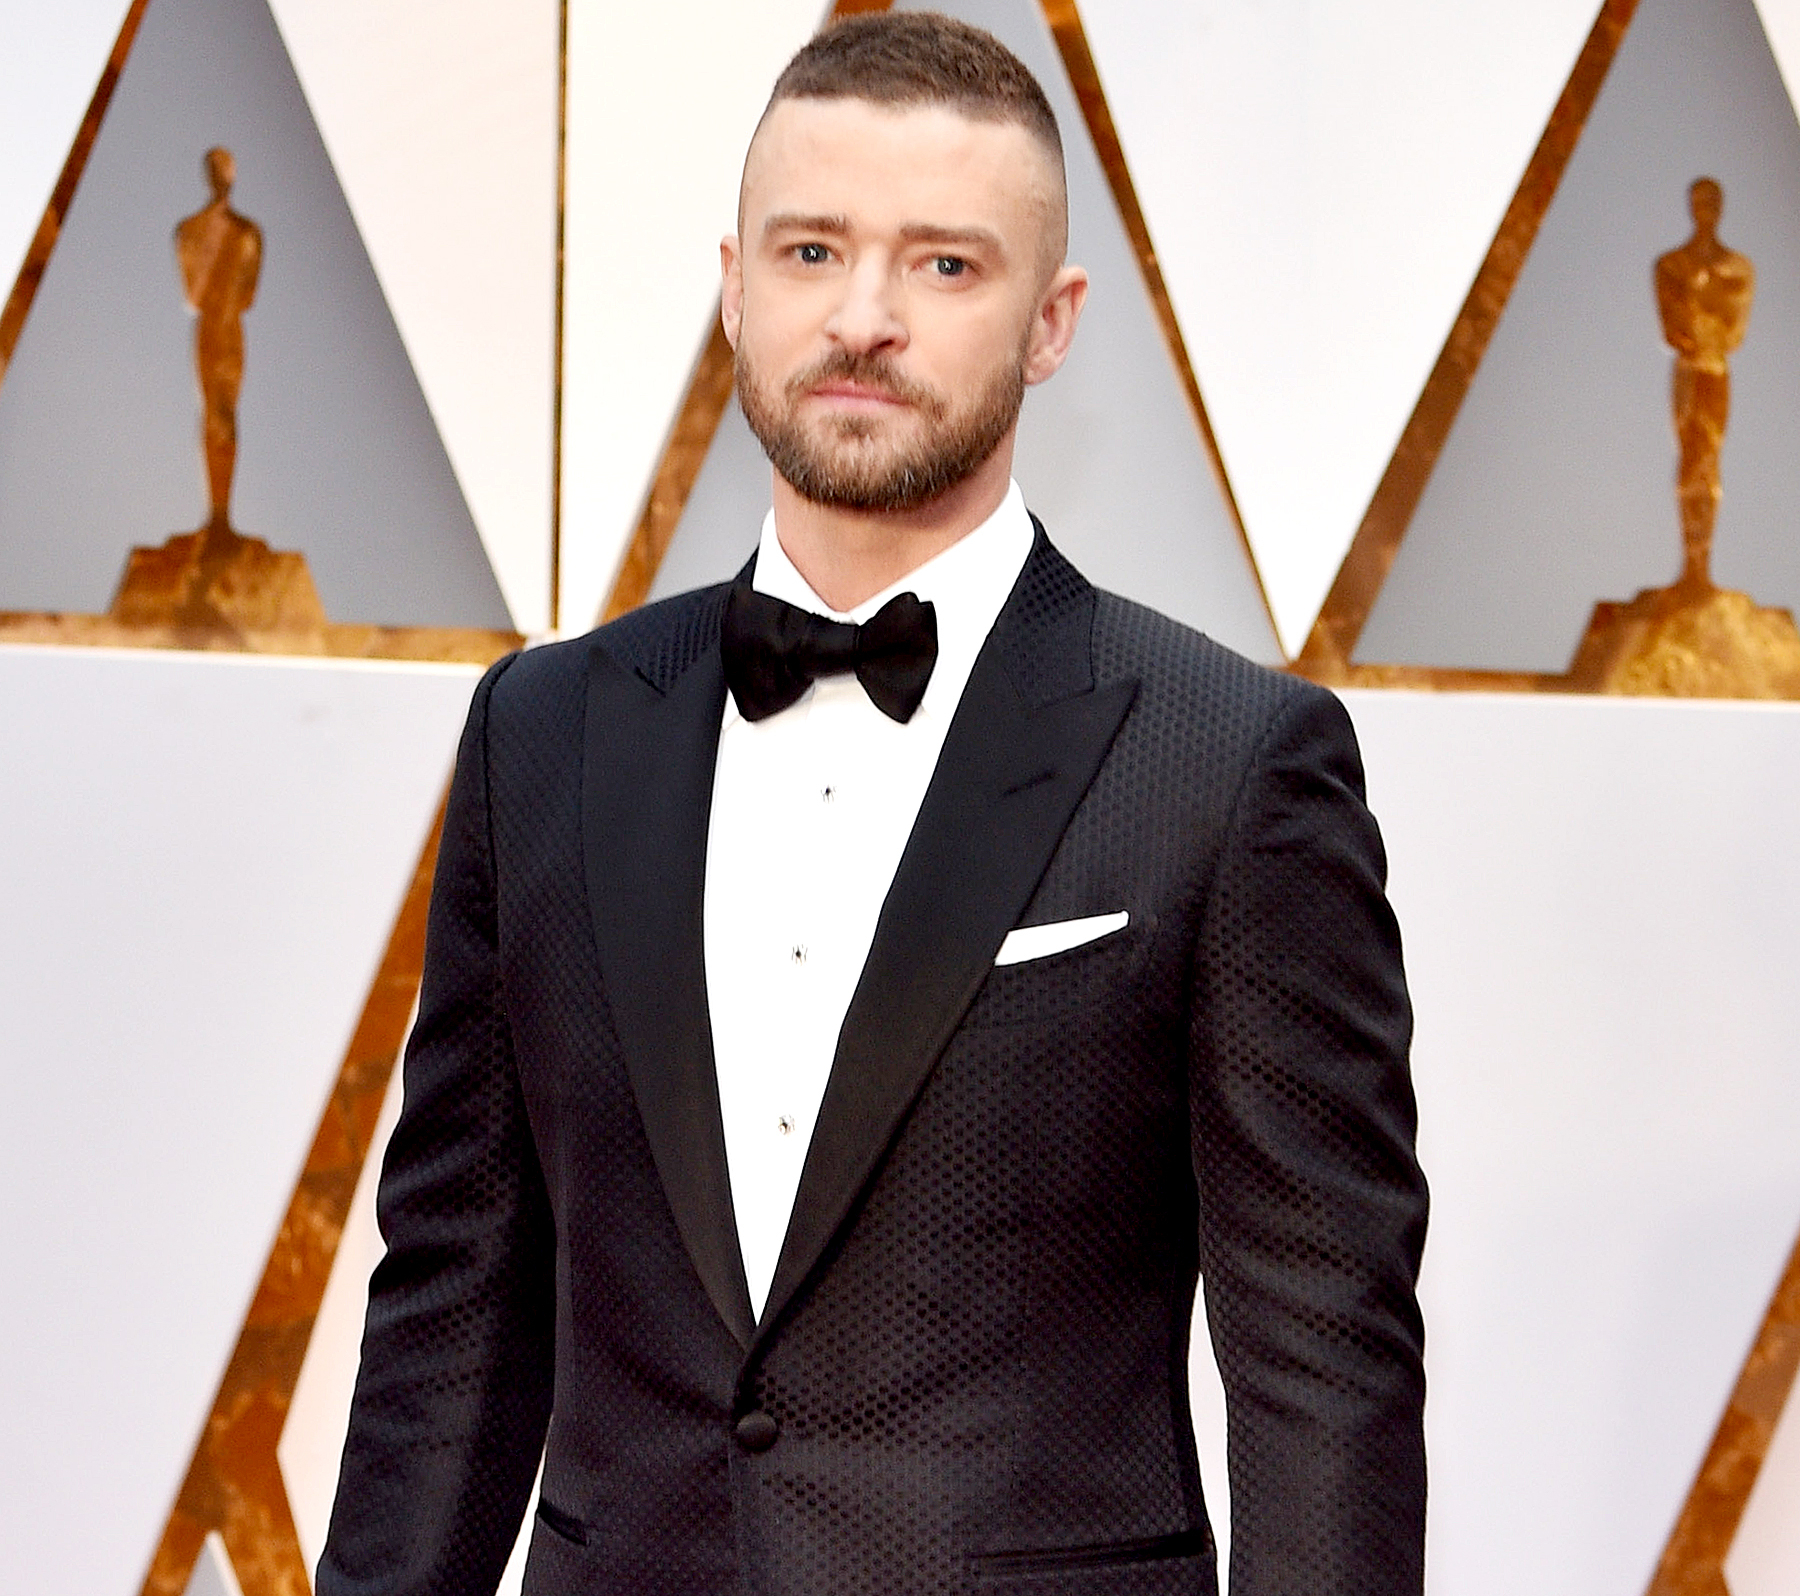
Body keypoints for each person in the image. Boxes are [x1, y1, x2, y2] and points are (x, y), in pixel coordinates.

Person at [317, 14, 1426, 1596]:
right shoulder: (543, 731)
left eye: (945, 267)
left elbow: (1327, 1367)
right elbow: (453, 1308)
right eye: (813, 249)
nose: (862, 317)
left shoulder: (1230, 762)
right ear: (734, 279)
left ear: (1053, 324)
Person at [1654, 177, 1754, 591]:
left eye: (1712, 201)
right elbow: (1674, 328)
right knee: (1690, 459)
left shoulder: (1738, 269)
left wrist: (1704, 317)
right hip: (1689, 372)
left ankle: (1703, 565)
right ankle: (1691, 565)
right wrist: (1702, 320)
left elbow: (1733, 332)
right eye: (1699, 201)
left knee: (1708, 460)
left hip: (1715, 373)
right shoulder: (1671, 266)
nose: (1706, 209)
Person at [175, 146, 262, 529]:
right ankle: (216, 513)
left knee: (227, 410)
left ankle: (222, 513)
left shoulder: (248, 233)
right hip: (212, 327)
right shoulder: (190, 231)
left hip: (229, 329)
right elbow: (193, 295)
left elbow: (248, 295)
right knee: (214, 410)